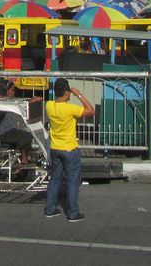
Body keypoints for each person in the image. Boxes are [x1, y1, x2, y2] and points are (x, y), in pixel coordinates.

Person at [44, 78, 94, 222]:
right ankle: (72, 213)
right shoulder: (70, 108)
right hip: (69, 148)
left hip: (55, 148)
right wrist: (79, 94)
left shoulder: (49, 105)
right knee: (73, 181)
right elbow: (91, 111)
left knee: (55, 179)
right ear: (66, 92)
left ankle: (50, 209)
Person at [0, 79, 32, 164]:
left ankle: (22, 158)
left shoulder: (4, 100)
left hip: (8, 130)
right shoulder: (1, 100)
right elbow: (18, 103)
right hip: (5, 132)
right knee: (27, 136)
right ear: (6, 91)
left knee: (26, 131)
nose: (13, 93)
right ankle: (24, 161)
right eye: (12, 90)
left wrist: (30, 100)